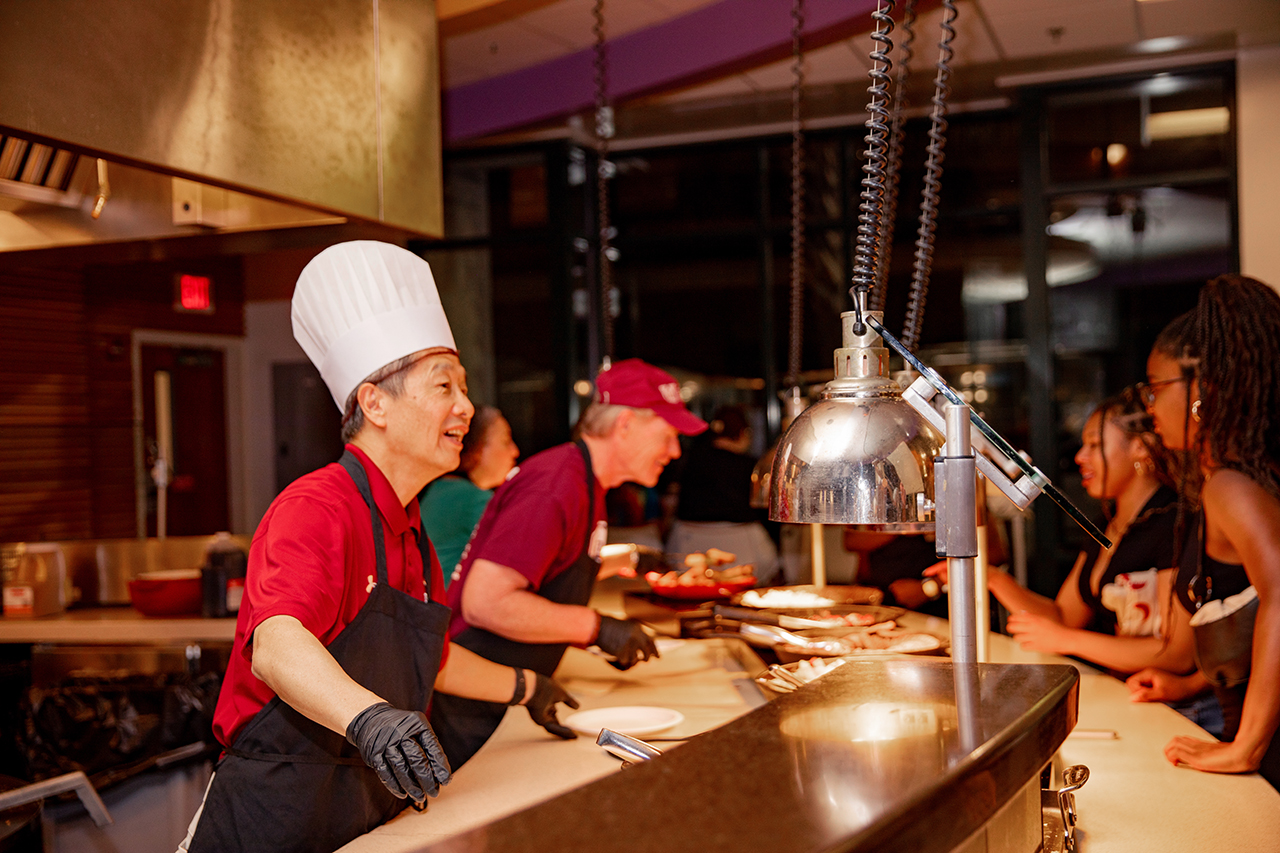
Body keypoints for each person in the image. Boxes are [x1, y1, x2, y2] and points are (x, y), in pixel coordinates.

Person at [178, 242, 577, 853]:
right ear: (374, 403)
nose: (465, 408)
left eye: (463, 388)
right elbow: (277, 644)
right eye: (444, 386)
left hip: (360, 817)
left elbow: (429, 659)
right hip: (271, 817)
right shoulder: (318, 507)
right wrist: (371, 719)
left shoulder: (410, 526)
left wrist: (527, 687)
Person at [431, 358, 708, 769]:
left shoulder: (584, 482)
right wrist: (596, 627)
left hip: (505, 699)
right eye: (668, 434)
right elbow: (484, 603)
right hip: (467, 711)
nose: (674, 451)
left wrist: (629, 565)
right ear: (625, 425)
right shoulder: (555, 485)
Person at [924, 389, 1214, 728]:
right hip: (1130, 698)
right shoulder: (1112, 527)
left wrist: (1067, 640)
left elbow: (1175, 654)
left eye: (1094, 445)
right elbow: (1062, 616)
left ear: (1140, 447)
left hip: (1181, 711)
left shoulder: (1172, 524)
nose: (1080, 457)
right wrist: (990, 577)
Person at [1123, 275, 1280, 788]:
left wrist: (1245, 748)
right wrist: (1189, 683)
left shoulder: (1231, 486)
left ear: (1202, 389)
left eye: (1156, 387)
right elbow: (1248, 608)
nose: (1149, 404)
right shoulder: (1239, 476)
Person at [667, 404, 780, 585]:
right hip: (744, 547)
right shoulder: (751, 467)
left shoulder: (689, 460)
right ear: (743, 433)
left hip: (686, 542)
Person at [419, 405, 520, 584]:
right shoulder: (473, 500)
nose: (514, 451)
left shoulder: (440, 489)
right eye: (506, 441)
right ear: (477, 448)